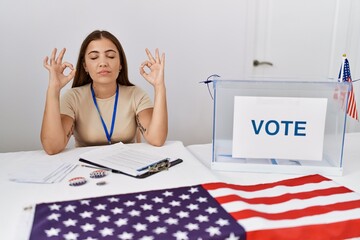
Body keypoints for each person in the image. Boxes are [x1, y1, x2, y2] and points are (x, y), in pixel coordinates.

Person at [41, 30, 168, 155]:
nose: (103, 63)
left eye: (111, 56)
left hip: (126, 166)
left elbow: (157, 139)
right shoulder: (73, 98)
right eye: (94, 57)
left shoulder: (136, 95)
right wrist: (54, 89)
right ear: (85, 65)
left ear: (120, 64)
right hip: (87, 170)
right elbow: (52, 147)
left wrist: (159, 86)